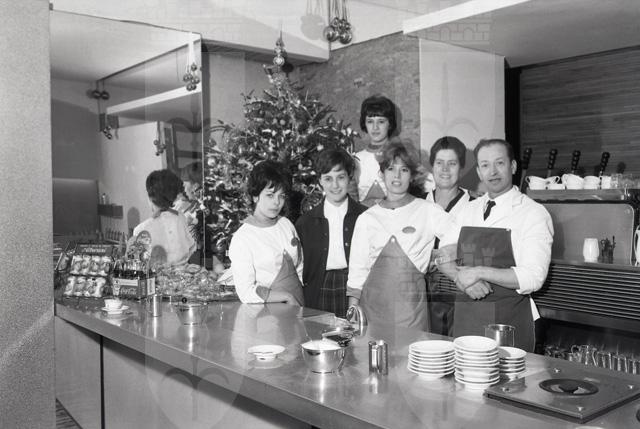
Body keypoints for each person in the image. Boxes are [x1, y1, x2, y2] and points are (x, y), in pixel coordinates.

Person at [449, 138, 553, 352]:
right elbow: (443, 255)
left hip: (508, 323)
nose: (493, 172)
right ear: (479, 172)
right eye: (485, 165)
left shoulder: (533, 213)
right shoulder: (467, 210)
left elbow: (533, 277)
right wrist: (462, 280)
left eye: (499, 163)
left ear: (513, 166)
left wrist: (478, 272)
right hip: (467, 321)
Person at [346, 142, 460, 330]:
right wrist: (353, 313)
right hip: (371, 311)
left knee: (411, 349)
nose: (397, 176)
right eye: (391, 169)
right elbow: (358, 271)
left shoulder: (427, 210)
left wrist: (439, 257)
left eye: (404, 170)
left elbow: (459, 237)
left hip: (411, 312)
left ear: (412, 175)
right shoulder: (367, 218)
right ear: (382, 174)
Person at [295, 148, 366, 318]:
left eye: (340, 177)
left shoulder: (365, 217)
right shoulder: (305, 222)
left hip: (356, 290)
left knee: (356, 333)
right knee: (319, 333)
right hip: (320, 290)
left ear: (350, 177)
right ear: (320, 181)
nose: (335, 185)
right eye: (328, 179)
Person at [228, 160, 304, 305]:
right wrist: (286, 297)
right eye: (270, 195)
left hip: (298, 305)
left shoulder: (286, 224)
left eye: (282, 196)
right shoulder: (243, 238)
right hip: (267, 312)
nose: (277, 202)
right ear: (255, 196)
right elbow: (245, 291)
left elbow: (300, 266)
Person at [425, 136, 474, 336]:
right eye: (439, 163)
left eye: (452, 163)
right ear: (432, 166)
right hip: (421, 294)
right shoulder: (417, 204)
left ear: (461, 168)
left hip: (459, 290)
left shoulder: (475, 205)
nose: (445, 169)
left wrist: (439, 256)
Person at [132, 169, 196, 267]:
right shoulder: (180, 217)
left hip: (159, 276)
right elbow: (191, 248)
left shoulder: (141, 229)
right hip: (185, 273)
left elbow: (139, 265)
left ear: (151, 198)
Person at [354, 95, 397, 207]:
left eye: (381, 121)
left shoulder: (401, 156)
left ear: (390, 123)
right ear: (364, 123)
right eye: (370, 121)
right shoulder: (356, 159)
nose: (375, 127)